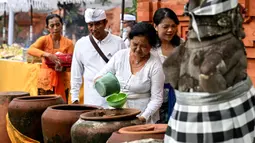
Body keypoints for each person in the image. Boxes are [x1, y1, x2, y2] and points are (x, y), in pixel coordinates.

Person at [94, 22, 165, 123]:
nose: (138, 49)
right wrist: (102, 83)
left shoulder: (155, 65)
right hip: (117, 113)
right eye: (135, 44)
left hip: (143, 115)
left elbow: (157, 99)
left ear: (151, 46)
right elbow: (99, 76)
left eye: (143, 46)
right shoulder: (120, 56)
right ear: (130, 40)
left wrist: (143, 117)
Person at [70, 8, 126, 107]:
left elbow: (125, 70)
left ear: (105, 23)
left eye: (98, 24)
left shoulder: (118, 42)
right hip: (91, 100)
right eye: (90, 25)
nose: (94, 28)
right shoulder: (81, 44)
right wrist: (74, 98)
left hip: (114, 99)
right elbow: (76, 73)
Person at [28, 14, 74, 103]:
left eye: (58, 25)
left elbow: (72, 64)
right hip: (46, 81)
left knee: (61, 109)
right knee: (43, 107)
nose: (55, 28)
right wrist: (47, 55)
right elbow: (30, 50)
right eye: (52, 26)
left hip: (62, 80)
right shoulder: (44, 40)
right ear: (47, 27)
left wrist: (63, 68)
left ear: (62, 25)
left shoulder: (69, 43)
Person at [151, 8, 184, 123]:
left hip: (178, 96)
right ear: (155, 26)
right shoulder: (149, 47)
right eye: (165, 27)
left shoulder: (182, 45)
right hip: (154, 97)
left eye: (173, 26)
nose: (170, 30)